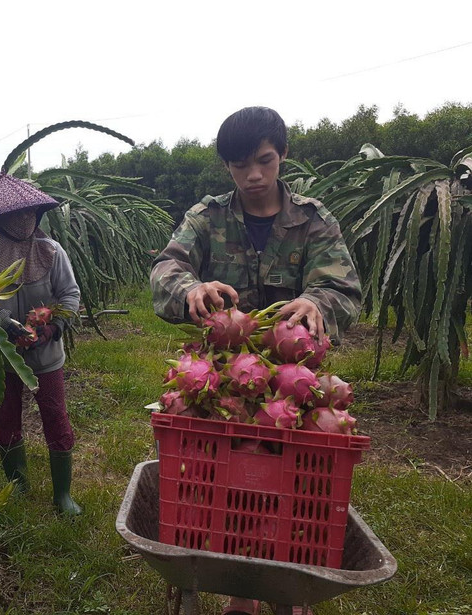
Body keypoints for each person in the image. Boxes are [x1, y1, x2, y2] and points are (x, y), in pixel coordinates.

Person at [150, 107, 362, 615]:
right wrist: (190, 287)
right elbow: (165, 267)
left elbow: (346, 289)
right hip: (222, 383)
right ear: (227, 166)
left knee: (301, 485)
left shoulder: (314, 219)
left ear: (283, 155)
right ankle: (240, 592)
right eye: (240, 165)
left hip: (298, 388)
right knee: (224, 483)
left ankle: (290, 587)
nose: (253, 175)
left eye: (265, 161)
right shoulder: (207, 217)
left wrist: (319, 303)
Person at [0, 173, 83, 515]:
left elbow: (70, 293)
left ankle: (62, 494)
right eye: (16, 213)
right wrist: (3, 323)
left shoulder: (51, 250)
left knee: (55, 417)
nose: (24, 219)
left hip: (46, 355)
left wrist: (52, 328)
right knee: (5, 419)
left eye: (30, 212)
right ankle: (18, 487)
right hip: (1, 355)